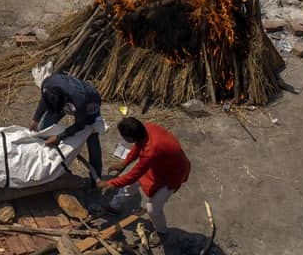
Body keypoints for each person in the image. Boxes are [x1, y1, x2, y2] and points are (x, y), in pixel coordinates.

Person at [97, 118, 191, 248]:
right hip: (158, 165)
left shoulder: (151, 151)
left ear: (130, 137)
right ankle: (115, 206)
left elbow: (133, 175)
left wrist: (110, 183)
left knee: (153, 209)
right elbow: (138, 147)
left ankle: (162, 232)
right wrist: (124, 163)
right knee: (131, 184)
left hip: (172, 174)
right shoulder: (146, 128)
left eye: (123, 136)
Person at [31, 72, 104, 180]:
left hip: (90, 104)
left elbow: (80, 125)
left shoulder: (79, 100)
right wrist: (35, 119)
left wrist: (59, 137)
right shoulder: (47, 85)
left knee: (91, 138)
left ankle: (96, 178)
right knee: (44, 127)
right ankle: (42, 163)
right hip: (66, 101)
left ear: (65, 101)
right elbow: (44, 100)